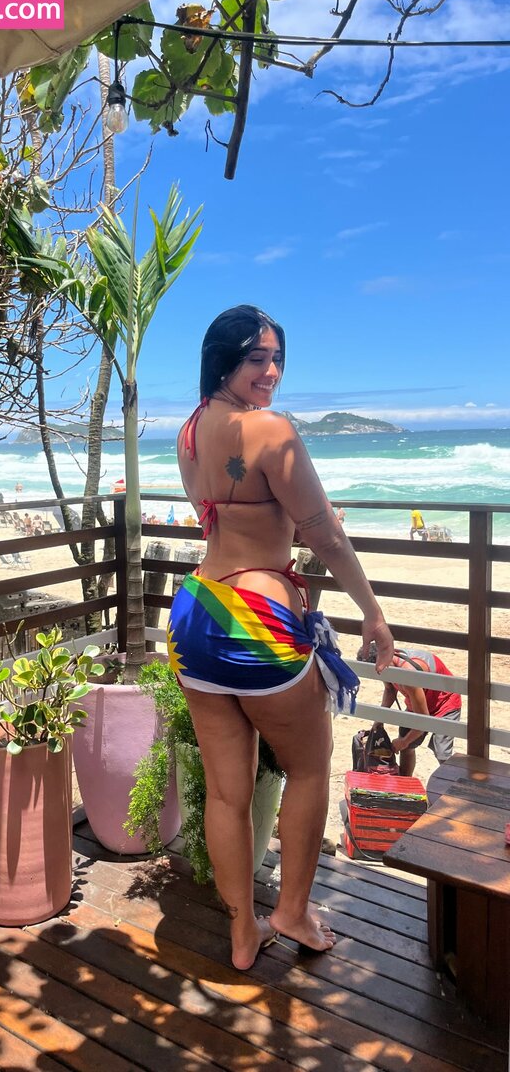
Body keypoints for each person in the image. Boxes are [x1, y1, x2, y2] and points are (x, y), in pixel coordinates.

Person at [167, 305, 393, 971]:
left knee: (226, 791)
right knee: (309, 768)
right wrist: (373, 614)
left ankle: (244, 933)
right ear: (223, 360)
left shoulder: (189, 431)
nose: (271, 372)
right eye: (255, 358)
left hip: (195, 613)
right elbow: (326, 536)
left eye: (277, 359)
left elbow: (233, 514)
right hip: (257, 621)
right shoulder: (272, 430)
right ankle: (291, 910)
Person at [358, 642, 461, 777]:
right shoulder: (388, 665)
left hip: (445, 703)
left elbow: (423, 720)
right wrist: (380, 719)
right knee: (407, 747)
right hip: (417, 702)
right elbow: (390, 690)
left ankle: (453, 784)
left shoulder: (408, 674)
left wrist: (404, 741)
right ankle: (405, 781)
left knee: (442, 751)